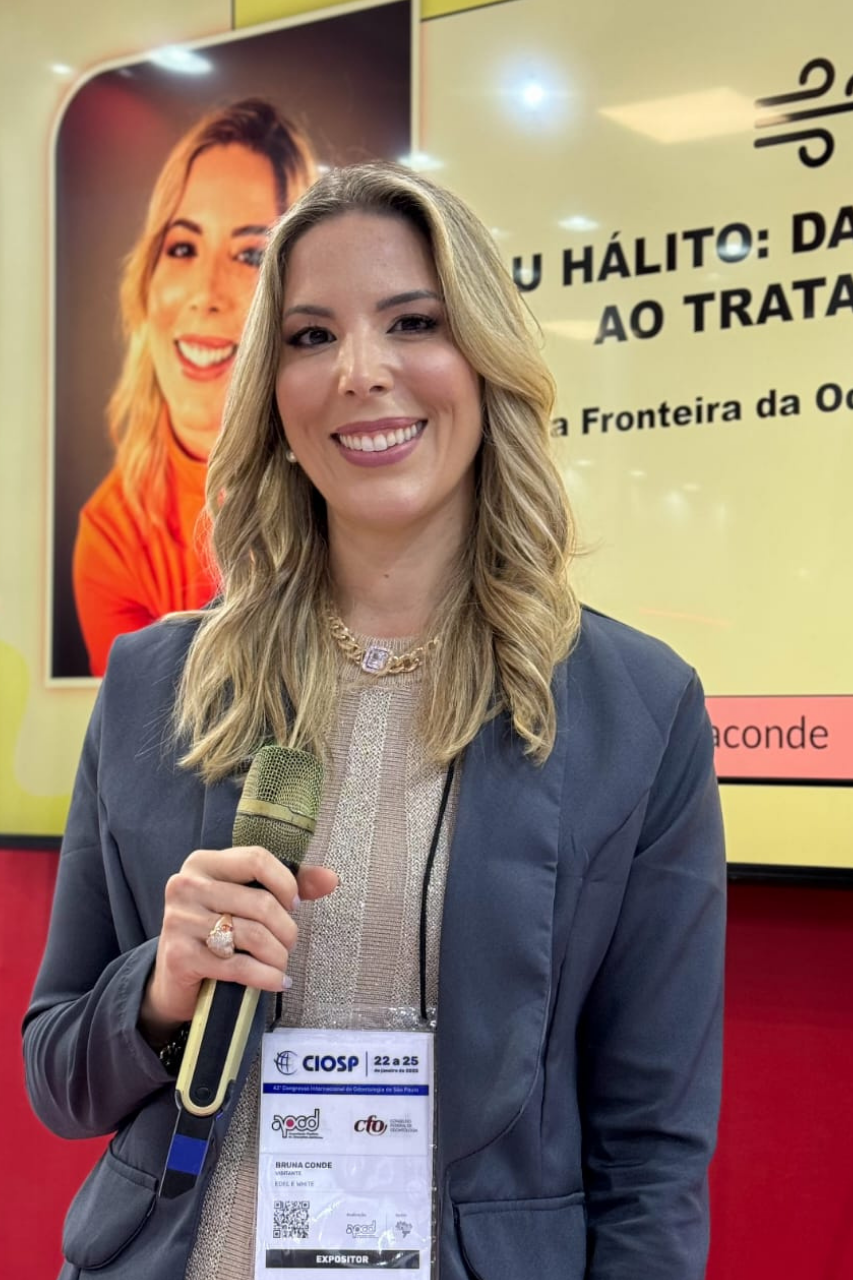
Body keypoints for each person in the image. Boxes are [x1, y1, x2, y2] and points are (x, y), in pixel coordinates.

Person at [26, 162, 726, 1279]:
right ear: (272, 395)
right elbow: (58, 1076)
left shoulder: (635, 707)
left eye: (413, 322)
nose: (360, 371)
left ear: (485, 361)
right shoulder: (157, 682)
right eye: (310, 337)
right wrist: (161, 987)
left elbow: (651, 1154)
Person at [72, 99, 316, 675]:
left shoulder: (347, 469)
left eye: (250, 255)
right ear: (145, 284)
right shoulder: (112, 537)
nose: (206, 292)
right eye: (182, 247)